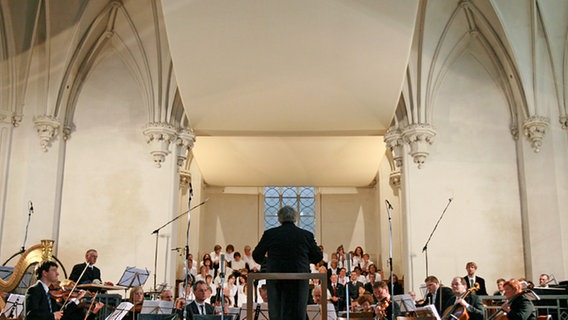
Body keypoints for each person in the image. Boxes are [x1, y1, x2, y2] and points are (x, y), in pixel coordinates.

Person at [252, 205, 323, 320]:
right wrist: (303, 261)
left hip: (276, 279)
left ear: (279, 218)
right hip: (299, 278)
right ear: (295, 218)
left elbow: (256, 255)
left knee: (277, 313)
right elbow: (318, 256)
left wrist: (268, 262)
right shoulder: (306, 235)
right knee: (298, 313)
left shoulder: (270, 234)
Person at [25, 260, 103, 320]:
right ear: (44, 273)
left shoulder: (48, 292)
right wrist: (53, 315)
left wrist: (77, 299)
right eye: (54, 270)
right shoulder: (34, 290)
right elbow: (30, 315)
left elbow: (62, 312)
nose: (57, 273)